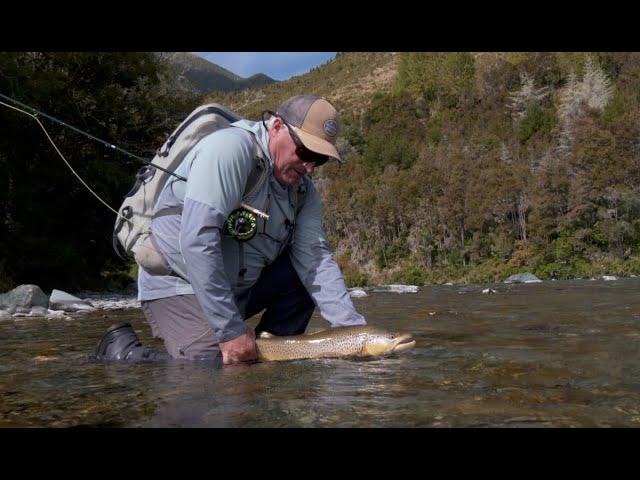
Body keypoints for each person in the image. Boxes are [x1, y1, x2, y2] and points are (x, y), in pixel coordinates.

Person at [95, 95, 366, 365]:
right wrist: (230, 331)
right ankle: (123, 352)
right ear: (277, 127)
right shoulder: (230, 149)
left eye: (319, 159)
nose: (309, 167)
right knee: (213, 368)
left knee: (296, 289)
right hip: (178, 283)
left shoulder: (303, 192)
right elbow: (198, 240)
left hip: (237, 287)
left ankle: (269, 357)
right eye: (305, 152)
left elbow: (316, 258)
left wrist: (354, 333)